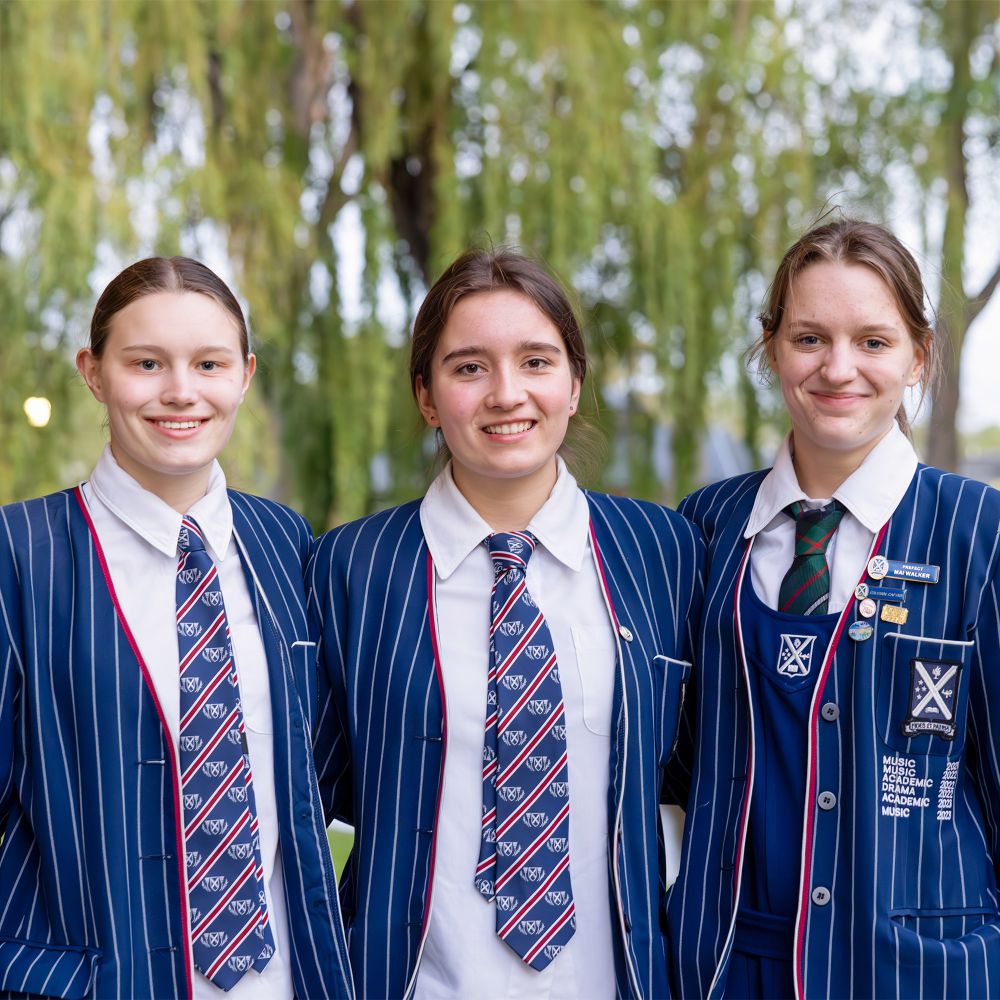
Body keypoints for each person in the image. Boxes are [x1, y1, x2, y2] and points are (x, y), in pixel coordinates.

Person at [308, 247, 703, 999]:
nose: (506, 393)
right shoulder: (348, 569)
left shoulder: (665, 550)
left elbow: (699, 769)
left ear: (575, 383)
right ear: (426, 396)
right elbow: (307, 796)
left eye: (536, 361)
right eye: (468, 368)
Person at [0, 257, 353, 999]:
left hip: (287, 981)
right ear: (93, 373)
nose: (181, 391)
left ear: (245, 375)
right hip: (94, 982)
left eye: (209, 363)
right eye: (147, 363)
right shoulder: (18, 555)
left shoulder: (287, 544)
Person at [665, 218, 1000, 999]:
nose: (838, 368)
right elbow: (676, 757)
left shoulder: (979, 534)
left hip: (919, 974)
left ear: (919, 355)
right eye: (810, 338)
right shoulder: (703, 528)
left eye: (873, 342)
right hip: (725, 968)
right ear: (771, 348)